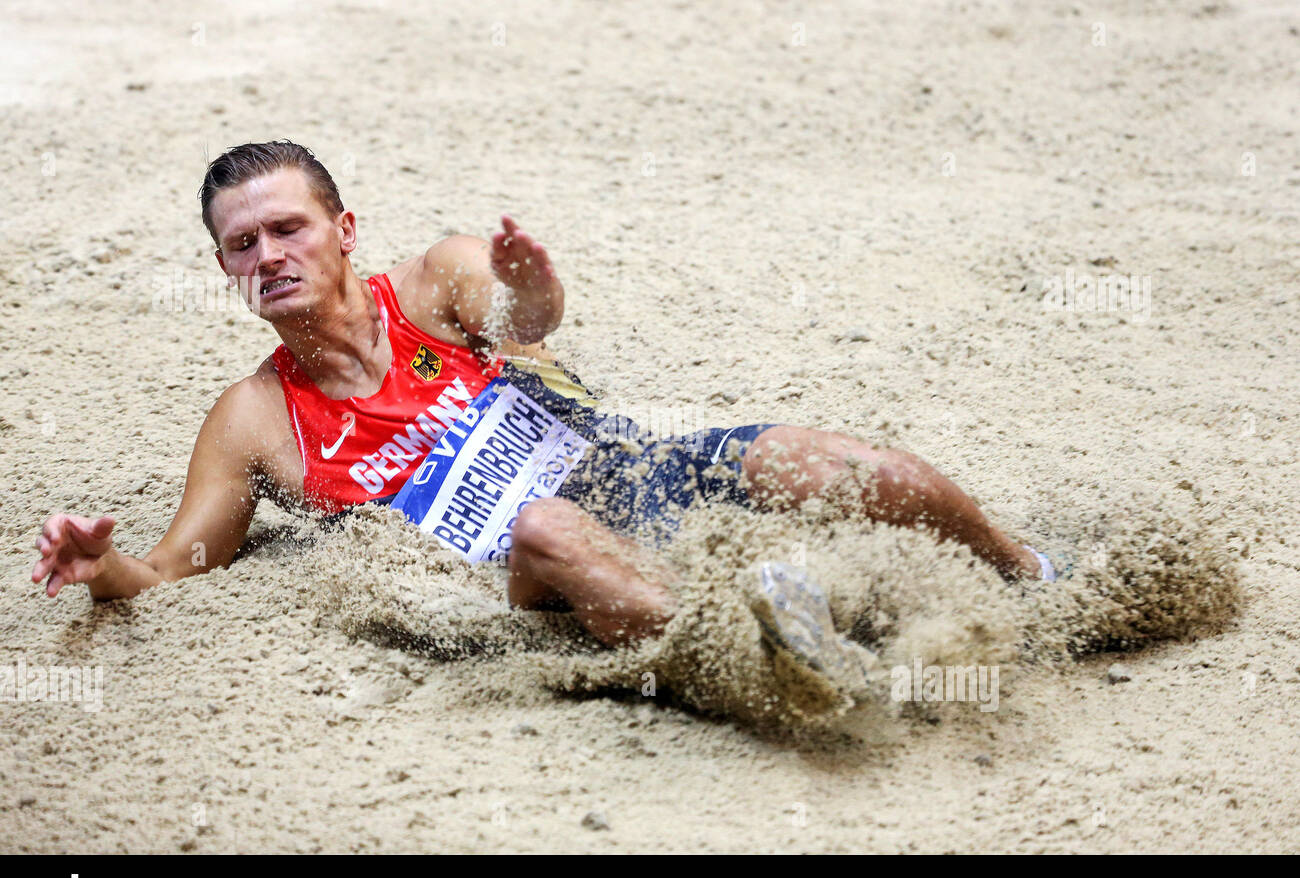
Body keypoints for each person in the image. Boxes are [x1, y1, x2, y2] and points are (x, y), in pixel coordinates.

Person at [32, 141, 1056, 694]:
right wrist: (101, 567)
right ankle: (783, 654)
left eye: (287, 228)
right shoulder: (252, 418)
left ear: (343, 229)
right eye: (242, 245)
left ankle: (1038, 579)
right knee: (544, 524)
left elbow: (524, 318)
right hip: (510, 571)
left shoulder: (434, 282)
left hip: (631, 465)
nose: (269, 257)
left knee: (835, 460)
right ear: (223, 268)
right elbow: (172, 571)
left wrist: (532, 294)